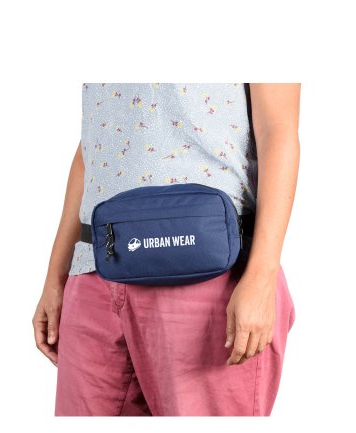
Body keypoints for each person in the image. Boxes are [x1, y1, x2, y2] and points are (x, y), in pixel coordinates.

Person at [33, 83, 300, 416]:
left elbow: (278, 130)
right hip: (95, 270)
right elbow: (90, 148)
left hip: (206, 271)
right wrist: (56, 276)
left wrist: (261, 277)